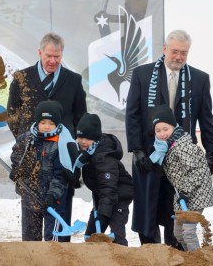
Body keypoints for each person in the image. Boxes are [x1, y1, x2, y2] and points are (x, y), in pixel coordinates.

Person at [125, 29, 213, 247]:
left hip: (183, 157)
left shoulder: (200, 79)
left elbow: (206, 120)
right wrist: (136, 149)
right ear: (165, 48)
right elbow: (133, 114)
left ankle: (174, 249)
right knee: (148, 207)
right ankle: (150, 250)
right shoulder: (142, 75)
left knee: (175, 206)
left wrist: (212, 153)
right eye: (175, 51)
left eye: (184, 53)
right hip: (149, 154)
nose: (179, 57)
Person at [7, 32, 87, 241]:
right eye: (48, 55)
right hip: (32, 165)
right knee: (31, 221)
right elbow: (13, 115)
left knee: (58, 224)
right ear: (40, 52)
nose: (52, 61)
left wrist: (68, 147)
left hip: (61, 162)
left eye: (57, 57)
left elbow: (80, 117)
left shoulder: (73, 81)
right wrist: (29, 142)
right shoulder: (21, 79)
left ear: (62, 55)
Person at [9, 100, 79, 241]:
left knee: (52, 240)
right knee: (30, 238)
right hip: (30, 195)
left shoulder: (62, 144)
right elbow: (17, 156)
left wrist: (52, 195)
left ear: (57, 124)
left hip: (53, 200)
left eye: (51, 123)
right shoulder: (26, 139)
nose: (46, 127)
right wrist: (17, 170)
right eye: (43, 122)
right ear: (37, 122)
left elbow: (61, 176)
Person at [149, 105, 213, 251]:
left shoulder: (182, 146)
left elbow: (196, 171)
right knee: (178, 234)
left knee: (188, 232)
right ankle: (189, 258)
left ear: (173, 127)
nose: (162, 134)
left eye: (165, 129)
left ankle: (198, 259)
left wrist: (185, 191)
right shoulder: (166, 146)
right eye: (158, 130)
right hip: (182, 196)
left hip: (196, 194)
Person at [74, 113, 133, 246]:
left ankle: (122, 256)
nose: (83, 141)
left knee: (117, 231)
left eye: (87, 138)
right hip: (103, 196)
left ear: (95, 139)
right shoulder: (85, 153)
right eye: (80, 137)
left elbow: (108, 187)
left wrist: (103, 213)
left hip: (119, 195)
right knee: (91, 234)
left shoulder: (103, 158)